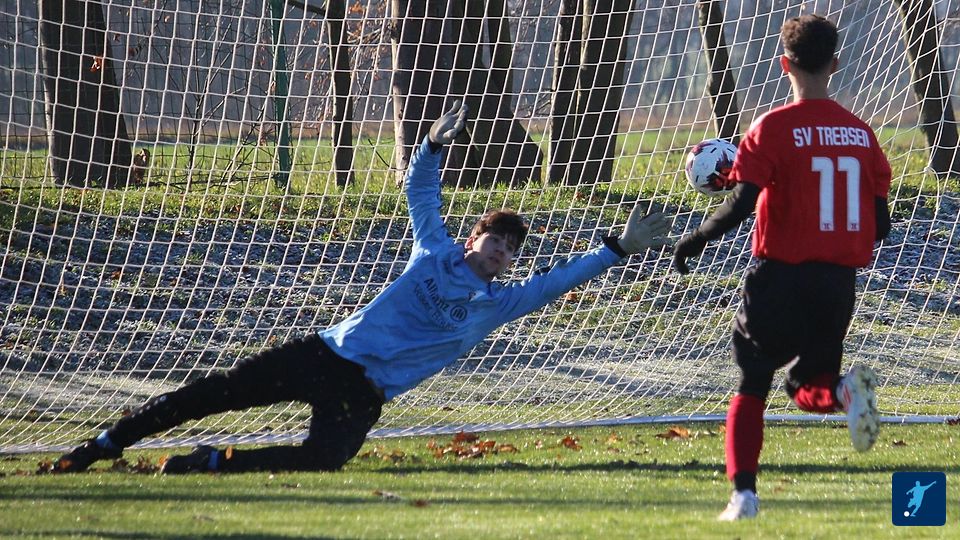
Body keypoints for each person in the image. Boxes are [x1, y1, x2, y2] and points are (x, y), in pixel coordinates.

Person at [53, 100, 672, 475]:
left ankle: (212, 462)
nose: (502, 252)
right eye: (495, 239)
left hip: (365, 392)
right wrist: (430, 146)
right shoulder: (433, 251)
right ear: (473, 239)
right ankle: (103, 444)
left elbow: (561, 278)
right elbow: (420, 193)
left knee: (324, 458)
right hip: (326, 354)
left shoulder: (499, 304)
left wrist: (618, 247)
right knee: (211, 394)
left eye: (511, 249)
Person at [672, 15, 892, 521]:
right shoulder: (863, 135)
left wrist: (697, 238)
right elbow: (879, 225)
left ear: (783, 65)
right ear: (834, 64)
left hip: (780, 277)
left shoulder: (771, 128)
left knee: (753, 381)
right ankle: (843, 391)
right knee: (805, 385)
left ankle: (743, 496)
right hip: (837, 284)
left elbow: (741, 204)